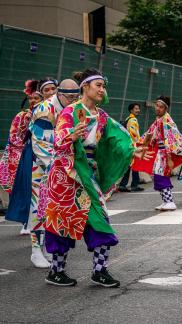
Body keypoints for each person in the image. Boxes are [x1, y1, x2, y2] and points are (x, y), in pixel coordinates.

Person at [44, 68, 151, 287]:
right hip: (68, 177)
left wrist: (133, 150)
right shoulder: (70, 112)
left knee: (100, 221)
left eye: (103, 86)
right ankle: (56, 271)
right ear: (85, 86)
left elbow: (117, 137)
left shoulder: (101, 116)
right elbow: (58, 141)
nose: (102, 90)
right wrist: (71, 135)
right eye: (98, 85)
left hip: (88, 177)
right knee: (63, 224)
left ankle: (100, 270)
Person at [6, 79, 80, 269]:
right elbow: (43, 144)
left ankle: (46, 246)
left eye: (76, 97)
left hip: (57, 161)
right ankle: (35, 250)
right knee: (37, 205)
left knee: (51, 207)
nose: (73, 100)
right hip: (39, 163)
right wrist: (64, 165)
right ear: (61, 95)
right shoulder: (44, 110)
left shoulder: (71, 108)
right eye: (70, 97)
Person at [133, 96, 182, 211]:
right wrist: (141, 143)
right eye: (157, 105)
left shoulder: (166, 121)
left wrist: (169, 158)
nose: (158, 108)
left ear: (166, 108)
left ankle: (169, 201)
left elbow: (170, 140)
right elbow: (150, 133)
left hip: (165, 152)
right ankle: (165, 201)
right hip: (160, 152)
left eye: (161, 107)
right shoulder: (159, 120)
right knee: (157, 175)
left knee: (161, 175)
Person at [0, 80, 42, 235]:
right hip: (20, 156)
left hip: (40, 156)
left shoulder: (47, 114)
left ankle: (35, 222)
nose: (33, 101)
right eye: (31, 98)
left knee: (36, 190)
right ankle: (25, 222)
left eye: (36, 98)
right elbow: (14, 136)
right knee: (22, 189)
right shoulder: (22, 116)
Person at [119, 103, 144, 192]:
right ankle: (133, 185)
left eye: (138, 108)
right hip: (133, 146)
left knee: (130, 166)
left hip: (127, 145)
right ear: (131, 110)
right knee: (134, 165)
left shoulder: (127, 119)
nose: (138, 110)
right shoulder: (133, 119)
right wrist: (140, 142)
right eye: (136, 109)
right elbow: (133, 133)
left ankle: (123, 185)